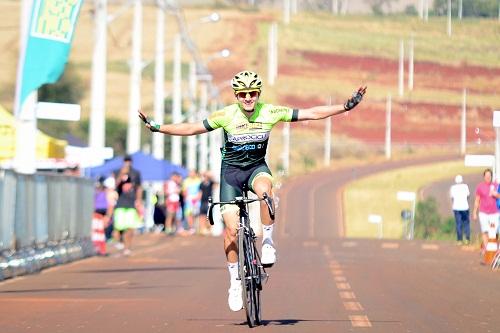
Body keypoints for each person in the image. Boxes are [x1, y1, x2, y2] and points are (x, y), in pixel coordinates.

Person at [139, 70, 366, 311]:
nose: (248, 98)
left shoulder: (269, 112)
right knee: (230, 229)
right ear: (237, 95)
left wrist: (344, 107)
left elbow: (310, 113)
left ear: (258, 94)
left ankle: (267, 241)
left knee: (265, 193)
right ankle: (235, 282)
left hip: (257, 169)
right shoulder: (226, 115)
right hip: (231, 175)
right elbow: (193, 128)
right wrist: (158, 127)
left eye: (252, 93)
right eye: (243, 93)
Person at [113, 155, 143, 256]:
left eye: (129, 161)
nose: (127, 163)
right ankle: (120, 241)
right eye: (126, 161)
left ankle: (127, 248)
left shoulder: (136, 173)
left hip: (131, 203)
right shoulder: (117, 171)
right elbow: (115, 185)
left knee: (130, 227)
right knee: (118, 227)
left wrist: (138, 200)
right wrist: (122, 174)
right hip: (120, 203)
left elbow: (139, 187)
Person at [472, 168, 498, 258]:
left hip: (494, 212)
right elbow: (477, 200)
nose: (488, 177)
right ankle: (487, 249)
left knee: (494, 231)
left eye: (489, 176)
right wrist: (474, 212)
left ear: (491, 176)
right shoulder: (480, 187)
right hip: (483, 212)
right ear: (484, 177)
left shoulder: (496, 185)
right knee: (485, 231)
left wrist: (496, 194)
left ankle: (494, 249)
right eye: (486, 176)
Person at [449, 174, 470, 245]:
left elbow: (452, 198)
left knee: (458, 223)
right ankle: (467, 238)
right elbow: (468, 196)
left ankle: (459, 240)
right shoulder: (465, 186)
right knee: (466, 223)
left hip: (456, 207)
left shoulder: (453, 188)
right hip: (465, 207)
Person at [182, 170, 202, 235]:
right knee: (189, 214)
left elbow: (200, 190)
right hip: (189, 200)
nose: (191, 174)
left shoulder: (199, 180)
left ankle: (198, 228)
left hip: (197, 200)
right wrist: (187, 198)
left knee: (196, 214)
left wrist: (198, 198)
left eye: (192, 173)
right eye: (190, 173)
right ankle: (191, 228)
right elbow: (184, 191)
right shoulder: (186, 181)